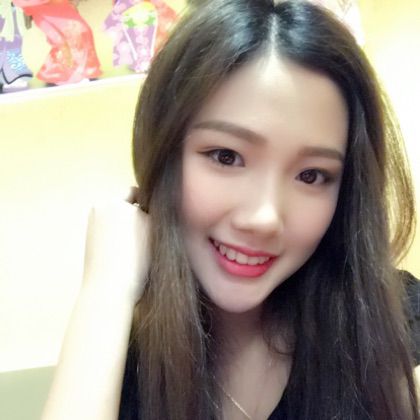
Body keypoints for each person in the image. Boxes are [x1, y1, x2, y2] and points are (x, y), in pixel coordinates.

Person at [41, 1, 420, 419]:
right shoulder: (116, 352)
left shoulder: (388, 318)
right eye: (226, 156)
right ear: (164, 152)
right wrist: (105, 290)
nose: (263, 217)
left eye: (312, 175)